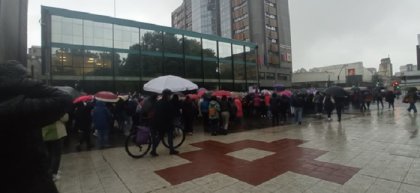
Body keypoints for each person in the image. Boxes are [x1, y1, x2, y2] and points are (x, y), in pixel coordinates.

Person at [0, 60, 72, 193]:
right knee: (55, 152)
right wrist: (26, 84)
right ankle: (54, 172)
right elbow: (64, 99)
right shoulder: (19, 107)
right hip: (30, 179)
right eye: (25, 77)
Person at [150, 89, 178, 156]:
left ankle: (153, 150)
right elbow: (171, 114)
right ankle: (171, 150)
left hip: (158, 122)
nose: (170, 96)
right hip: (167, 123)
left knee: (160, 137)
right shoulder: (168, 103)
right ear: (167, 95)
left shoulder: (158, 102)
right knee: (170, 136)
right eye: (170, 95)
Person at [42, 113, 69, 181]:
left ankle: (50, 170)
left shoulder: (41, 106)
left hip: (44, 133)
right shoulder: (56, 106)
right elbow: (65, 118)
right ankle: (54, 173)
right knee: (56, 154)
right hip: (57, 133)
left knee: (49, 153)